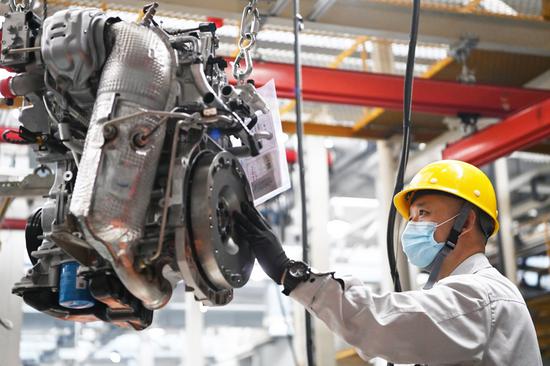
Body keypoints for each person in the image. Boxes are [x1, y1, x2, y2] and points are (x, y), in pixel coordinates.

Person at [233, 160, 542, 365]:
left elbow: (379, 321)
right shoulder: (461, 297)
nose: (412, 226)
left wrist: (291, 274)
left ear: (466, 221)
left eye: (423, 213)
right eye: (411, 217)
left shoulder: (479, 297)